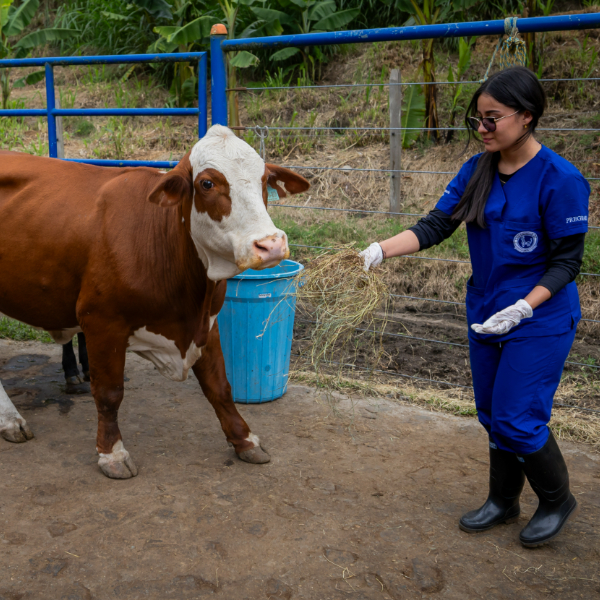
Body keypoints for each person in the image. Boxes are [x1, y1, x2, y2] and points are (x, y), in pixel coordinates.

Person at [360, 66, 589, 548]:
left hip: (539, 317)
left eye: (492, 119)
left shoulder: (560, 179)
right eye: (477, 120)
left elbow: (567, 263)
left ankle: (556, 499)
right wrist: (379, 250)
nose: (482, 129)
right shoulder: (476, 170)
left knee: (517, 416)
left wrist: (524, 308)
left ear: (526, 118)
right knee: (491, 411)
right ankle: (503, 501)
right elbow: (435, 225)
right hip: (486, 308)